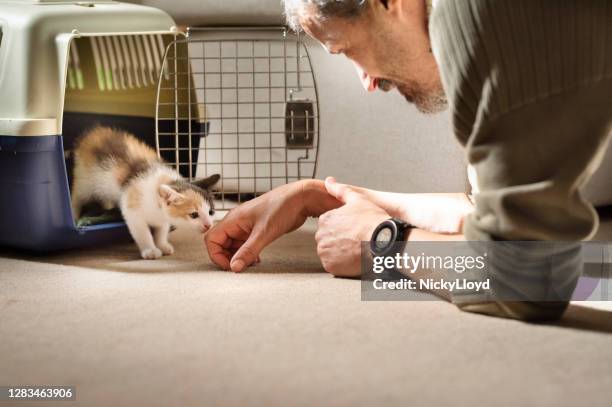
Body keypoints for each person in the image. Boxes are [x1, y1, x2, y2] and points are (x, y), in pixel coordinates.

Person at [205, 0, 612, 320]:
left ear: (391, 3)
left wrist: (383, 243)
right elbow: (490, 214)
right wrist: (322, 196)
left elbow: (524, 279)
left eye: (346, 49)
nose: (367, 81)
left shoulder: (483, 18)